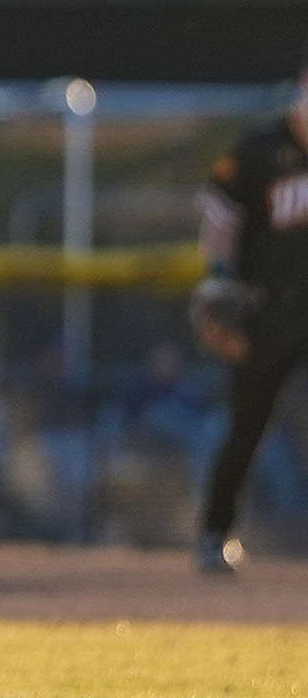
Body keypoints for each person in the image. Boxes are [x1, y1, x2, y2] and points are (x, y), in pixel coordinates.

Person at [188, 45, 308, 574]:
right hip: (268, 309)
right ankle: (214, 532)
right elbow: (220, 218)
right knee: (248, 426)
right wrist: (218, 279)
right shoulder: (262, 146)